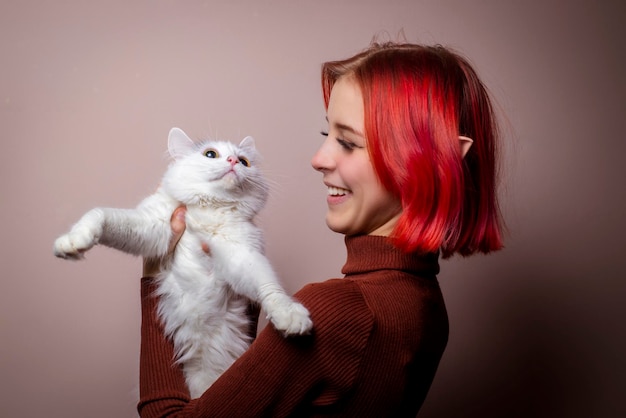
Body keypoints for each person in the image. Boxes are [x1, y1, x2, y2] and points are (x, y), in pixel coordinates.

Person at [138, 41, 504, 417]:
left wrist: (159, 271)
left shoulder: (337, 313)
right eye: (326, 135)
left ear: (434, 163)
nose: (319, 159)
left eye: (348, 142)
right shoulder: (422, 302)